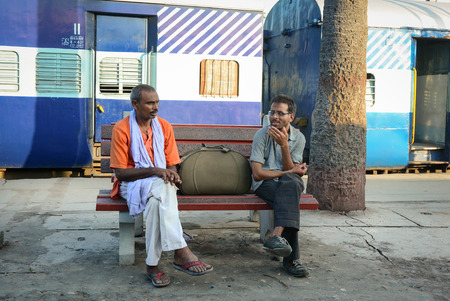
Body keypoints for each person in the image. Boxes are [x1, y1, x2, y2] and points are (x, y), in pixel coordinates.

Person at [109, 84, 213, 287]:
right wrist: (156, 171)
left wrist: (172, 175)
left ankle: (152, 266)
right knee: (162, 189)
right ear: (135, 104)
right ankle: (181, 251)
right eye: (150, 103)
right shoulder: (122, 129)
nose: (155, 107)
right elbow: (121, 174)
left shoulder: (164, 126)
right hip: (130, 184)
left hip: (158, 185)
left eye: (157, 102)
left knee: (158, 201)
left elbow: (172, 164)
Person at [250, 95, 309, 277]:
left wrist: (284, 146)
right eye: (272, 112)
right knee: (290, 194)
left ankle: (276, 236)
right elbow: (258, 173)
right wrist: (289, 172)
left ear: (291, 117)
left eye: (280, 113)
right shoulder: (262, 135)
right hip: (265, 183)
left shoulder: (299, 138)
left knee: (291, 184)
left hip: (286, 184)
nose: (274, 117)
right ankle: (292, 261)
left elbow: (290, 169)